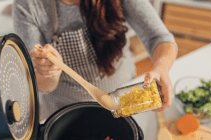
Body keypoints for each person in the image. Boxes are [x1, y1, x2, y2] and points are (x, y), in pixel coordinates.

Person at [13, 0, 178, 121]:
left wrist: (162, 66)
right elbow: (42, 85)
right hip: (66, 110)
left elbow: (158, 36)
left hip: (123, 97)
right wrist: (50, 72)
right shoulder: (28, 5)